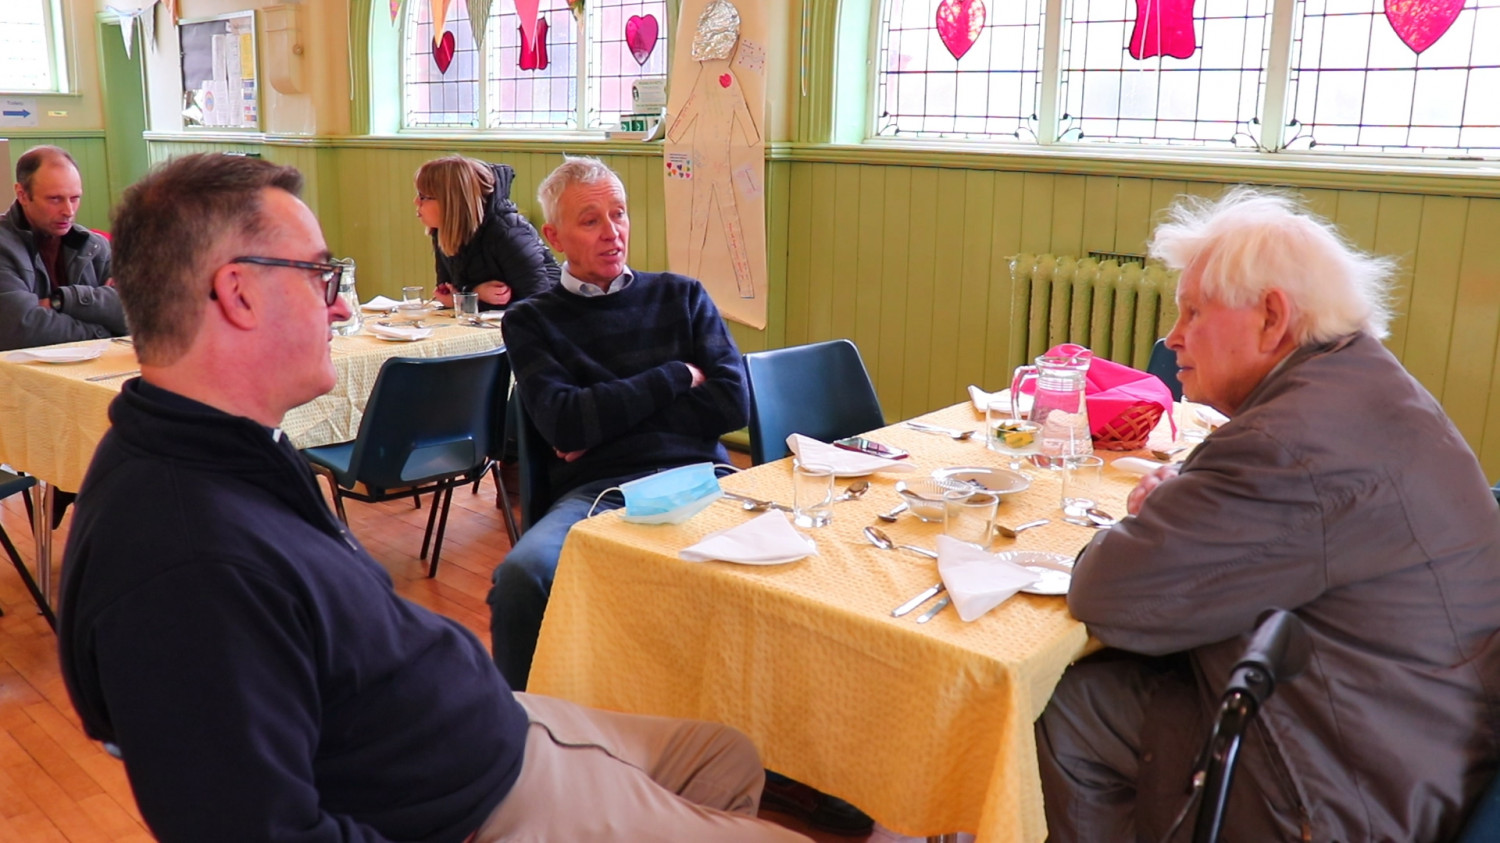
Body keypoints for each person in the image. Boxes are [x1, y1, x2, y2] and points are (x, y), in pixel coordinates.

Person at [57, 152, 807, 843]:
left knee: (726, 756)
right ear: (239, 293)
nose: (343, 310)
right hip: (480, 798)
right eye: (323, 278)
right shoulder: (183, 564)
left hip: (477, 729)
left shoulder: (228, 451)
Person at [1036, 187, 1500, 842]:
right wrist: (1187, 496)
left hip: (1353, 790)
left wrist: (1167, 503)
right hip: (1426, 741)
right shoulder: (1362, 383)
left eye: (1193, 312)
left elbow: (1106, 590)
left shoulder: (1287, 442)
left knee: (1067, 706)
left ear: (1272, 317)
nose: (1171, 338)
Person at [489, 156, 749, 691]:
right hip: (599, 492)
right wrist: (678, 374)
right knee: (520, 578)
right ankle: (520, 741)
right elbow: (564, 425)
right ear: (554, 236)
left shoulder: (683, 296)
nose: (613, 233)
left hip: (704, 481)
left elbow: (731, 405)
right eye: (591, 221)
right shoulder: (531, 320)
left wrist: (600, 421)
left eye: (619, 214)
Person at [0, 145, 126, 350]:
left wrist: (63, 301)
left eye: (75, 198)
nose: (68, 211)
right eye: (55, 199)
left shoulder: (95, 247)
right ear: (22, 194)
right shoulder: (4, 246)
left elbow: (140, 312)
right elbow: (19, 329)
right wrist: (104, 333)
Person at [415, 154, 559, 311]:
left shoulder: (508, 232)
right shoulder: (443, 230)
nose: (416, 202)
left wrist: (467, 298)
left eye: (423, 197)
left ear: (451, 202)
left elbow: (538, 303)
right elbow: (448, 291)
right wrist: (473, 294)